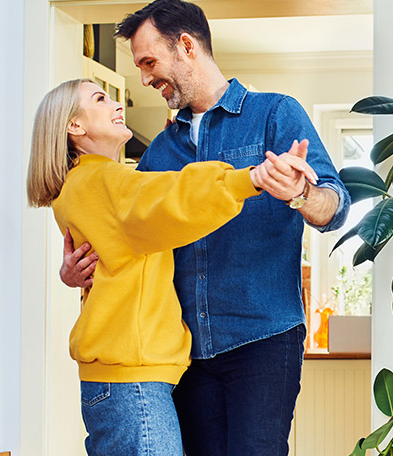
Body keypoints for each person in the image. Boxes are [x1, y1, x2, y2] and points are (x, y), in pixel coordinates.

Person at [59, 1, 352, 455]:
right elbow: (130, 230)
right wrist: (74, 271)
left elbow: (334, 207)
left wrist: (298, 192)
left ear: (187, 46)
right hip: (184, 354)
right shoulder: (157, 151)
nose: (144, 79)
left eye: (149, 62)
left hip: (263, 339)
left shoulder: (274, 114)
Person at [27, 79, 315, 456]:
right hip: (134, 380)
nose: (116, 103)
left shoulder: (81, 185)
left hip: (117, 378)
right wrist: (251, 178)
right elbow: (170, 199)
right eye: (100, 99)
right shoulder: (105, 182)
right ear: (74, 127)